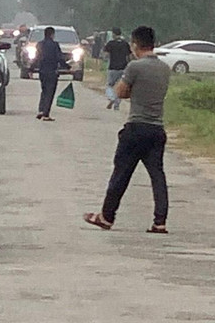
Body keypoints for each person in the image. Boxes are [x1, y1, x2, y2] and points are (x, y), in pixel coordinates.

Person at [84, 25, 171, 232]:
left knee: (121, 174)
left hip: (136, 128)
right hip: (157, 129)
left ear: (135, 45)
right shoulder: (165, 68)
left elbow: (120, 93)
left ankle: (106, 216)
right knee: (157, 176)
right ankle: (160, 221)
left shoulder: (134, 67)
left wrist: (127, 90)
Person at [33, 26, 69, 121]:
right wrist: (66, 66)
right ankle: (46, 114)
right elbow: (59, 58)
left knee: (44, 90)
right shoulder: (55, 45)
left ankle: (41, 110)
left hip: (42, 71)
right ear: (52, 35)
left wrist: (31, 68)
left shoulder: (40, 44)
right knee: (50, 92)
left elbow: (37, 57)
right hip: (52, 71)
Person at [102, 27, 132, 111]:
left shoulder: (110, 43)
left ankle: (112, 98)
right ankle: (117, 105)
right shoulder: (125, 44)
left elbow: (105, 55)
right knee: (120, 87)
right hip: (123, 68)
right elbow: (129, 57)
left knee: (110, 85)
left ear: (113, 34)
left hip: (112, 67)